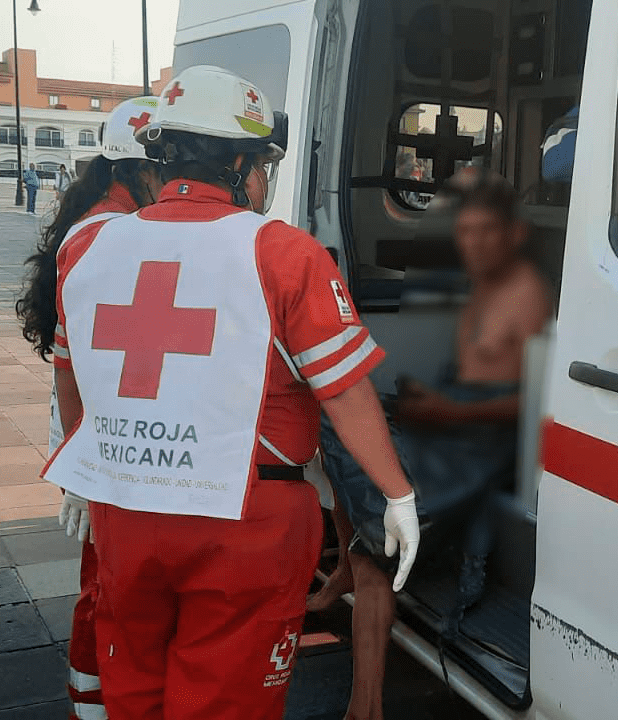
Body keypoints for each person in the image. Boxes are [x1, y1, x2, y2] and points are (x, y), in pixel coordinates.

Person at [42, 65, 420, 720]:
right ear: (244, 164)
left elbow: (71, 375)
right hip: (244, 524)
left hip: (126, 515)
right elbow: (345, 391)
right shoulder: (284, 253)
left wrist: (82, 476)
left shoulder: (90, 250)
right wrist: (397, 492)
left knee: (134, 696)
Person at [309, 168, 553, 720]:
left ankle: (363, 707)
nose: (475, 243)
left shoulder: (528, 294)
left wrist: (449, 410)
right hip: (451, 424)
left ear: (514, 233)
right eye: (466, 232)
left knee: (377, 559)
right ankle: (351, 557)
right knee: (338, 423)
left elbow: (531, 403)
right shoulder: (484, 285)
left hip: (481, 451)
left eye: (488, 231)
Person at [15, 95, 165, 720]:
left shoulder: (97, 221)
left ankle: (95, 698)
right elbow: (90, 365)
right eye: (162, 168)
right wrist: (83, 466)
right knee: (104, 581)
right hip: (100, 434)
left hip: (98, 430)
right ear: (135, 169)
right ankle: (93, 703)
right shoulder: (111, 232)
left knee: (107, 576)